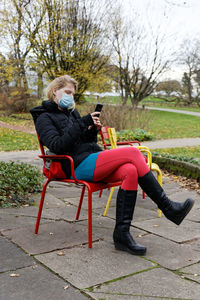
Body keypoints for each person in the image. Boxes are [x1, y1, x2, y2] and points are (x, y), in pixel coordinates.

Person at [30, 75, 195, 256]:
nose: (70, 96)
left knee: (130, 171)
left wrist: (92, 130)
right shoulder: (43, 117)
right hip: (75, 166)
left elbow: (82, 141)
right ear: (55, 90)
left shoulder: (72, 113)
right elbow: (57, 145)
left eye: (73, 93)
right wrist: (82, 123)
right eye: (67, 92)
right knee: (133, 152)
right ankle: (168, 208)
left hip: (91, 158)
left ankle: (122, 235)